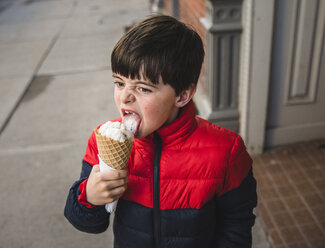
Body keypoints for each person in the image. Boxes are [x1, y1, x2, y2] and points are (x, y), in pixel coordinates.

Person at [64, 14, 257, 248]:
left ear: (182, 95)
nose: (125, 96)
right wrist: (89, 198)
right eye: (119, 83)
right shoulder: (102, 140)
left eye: (143, 88)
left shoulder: (227, 150)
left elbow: (236, 225)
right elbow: (88, 223)